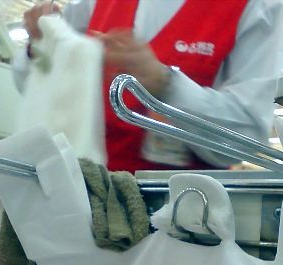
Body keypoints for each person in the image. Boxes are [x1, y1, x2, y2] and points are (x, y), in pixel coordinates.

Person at [16, 0, 283, 173]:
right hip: (82, 203)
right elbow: (28, 79)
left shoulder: (258, 7)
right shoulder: (93, 4)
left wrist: (167, 84)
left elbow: (245, 137)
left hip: (181, 220)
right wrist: (39, 43)